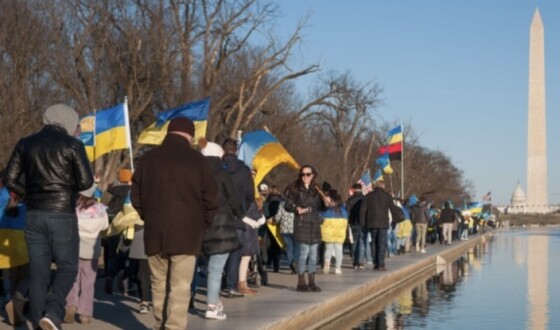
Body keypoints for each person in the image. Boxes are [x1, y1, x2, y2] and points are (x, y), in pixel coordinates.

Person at [3, 103, 94, 330]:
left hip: (33, 214)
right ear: (68, 120)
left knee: (38, 271)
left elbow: (10, 179)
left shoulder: (25, 144)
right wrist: (65, 189)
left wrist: (31, 195)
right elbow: (86, 182)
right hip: (62, 214)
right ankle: (52, 314)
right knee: (68, 267)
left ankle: (36, 319)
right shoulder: (73, 145)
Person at [131, 117, 219, 330]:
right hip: (187, 233)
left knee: (158, 284)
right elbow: (212, 200)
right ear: (189, 134)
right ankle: (174, 327)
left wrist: (149, 216)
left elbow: (136, 196)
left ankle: (160, 324)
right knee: (180, 286)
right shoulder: (198, 161)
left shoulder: (147, 159)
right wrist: (201, 224)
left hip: (154, 231)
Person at [199, 140, 245, 320]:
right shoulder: (222, 173)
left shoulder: (197, 174)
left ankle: (198, 298)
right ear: (220, 156)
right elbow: (233, 198)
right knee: (216, 267)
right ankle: (212, 305)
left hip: (199, 224)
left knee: (195, 266)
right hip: (222, 224)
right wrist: (242, 215)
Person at [64, 183, 109, 325]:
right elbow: (105, 226)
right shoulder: (101, 210)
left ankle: (71, 306)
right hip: (92, 249)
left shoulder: (75, 208)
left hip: (76, 246)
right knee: (89, 282)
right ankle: (85, 314)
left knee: (73, 279)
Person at [284, 165, 330, 292]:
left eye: (308, 174)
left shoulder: (317, 189)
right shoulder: (295, 188)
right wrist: (296, 209)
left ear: (313, 175)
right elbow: (287, 205)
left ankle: (312, 282)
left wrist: (326, 204)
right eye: (302, 174)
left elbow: (322, 207)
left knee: (314, 255)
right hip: (302, 223)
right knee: (303, 254)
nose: (305, 177)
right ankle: (301, 282)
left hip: (314, 223)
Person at [221, 138, 255, 298]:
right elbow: (250, 195)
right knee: (235, 252)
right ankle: (230, 285)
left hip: (219, 215)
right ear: (235, 150)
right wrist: (241, 210)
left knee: (218, 250)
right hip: (237, 216)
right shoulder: (244, 170)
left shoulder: (219, 167)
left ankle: (218, 282)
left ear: (223, 150)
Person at [358, 180, 402, 271]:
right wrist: (396, 219)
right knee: (382, 243)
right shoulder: (387, 196)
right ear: (383, 186)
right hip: (383, 223)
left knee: (374, 242)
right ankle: (381, 264)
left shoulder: (368, 196)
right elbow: (393, 209)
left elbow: (362, 211)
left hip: (371, 222)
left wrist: (362, 223)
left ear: (374, 186)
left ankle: (376, 263)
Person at [320, 190, 348, 275]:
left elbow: (320, 215)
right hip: (339, 230)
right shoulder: (342, 208)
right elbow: (346, 217)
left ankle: (327, 261)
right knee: (339, 249)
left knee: (328, 248)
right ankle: (338, 268)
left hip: (328, 229)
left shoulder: (326, 209)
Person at [346, 183, 366, 269]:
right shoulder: (365, 199)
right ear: (361, 189)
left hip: (353, 223)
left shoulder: (350, 200)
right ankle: (360, 262)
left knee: (353, 242)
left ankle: (354, 262)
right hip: (363, 223)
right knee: (361, 242)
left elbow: (347, 212)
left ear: (353, 189)